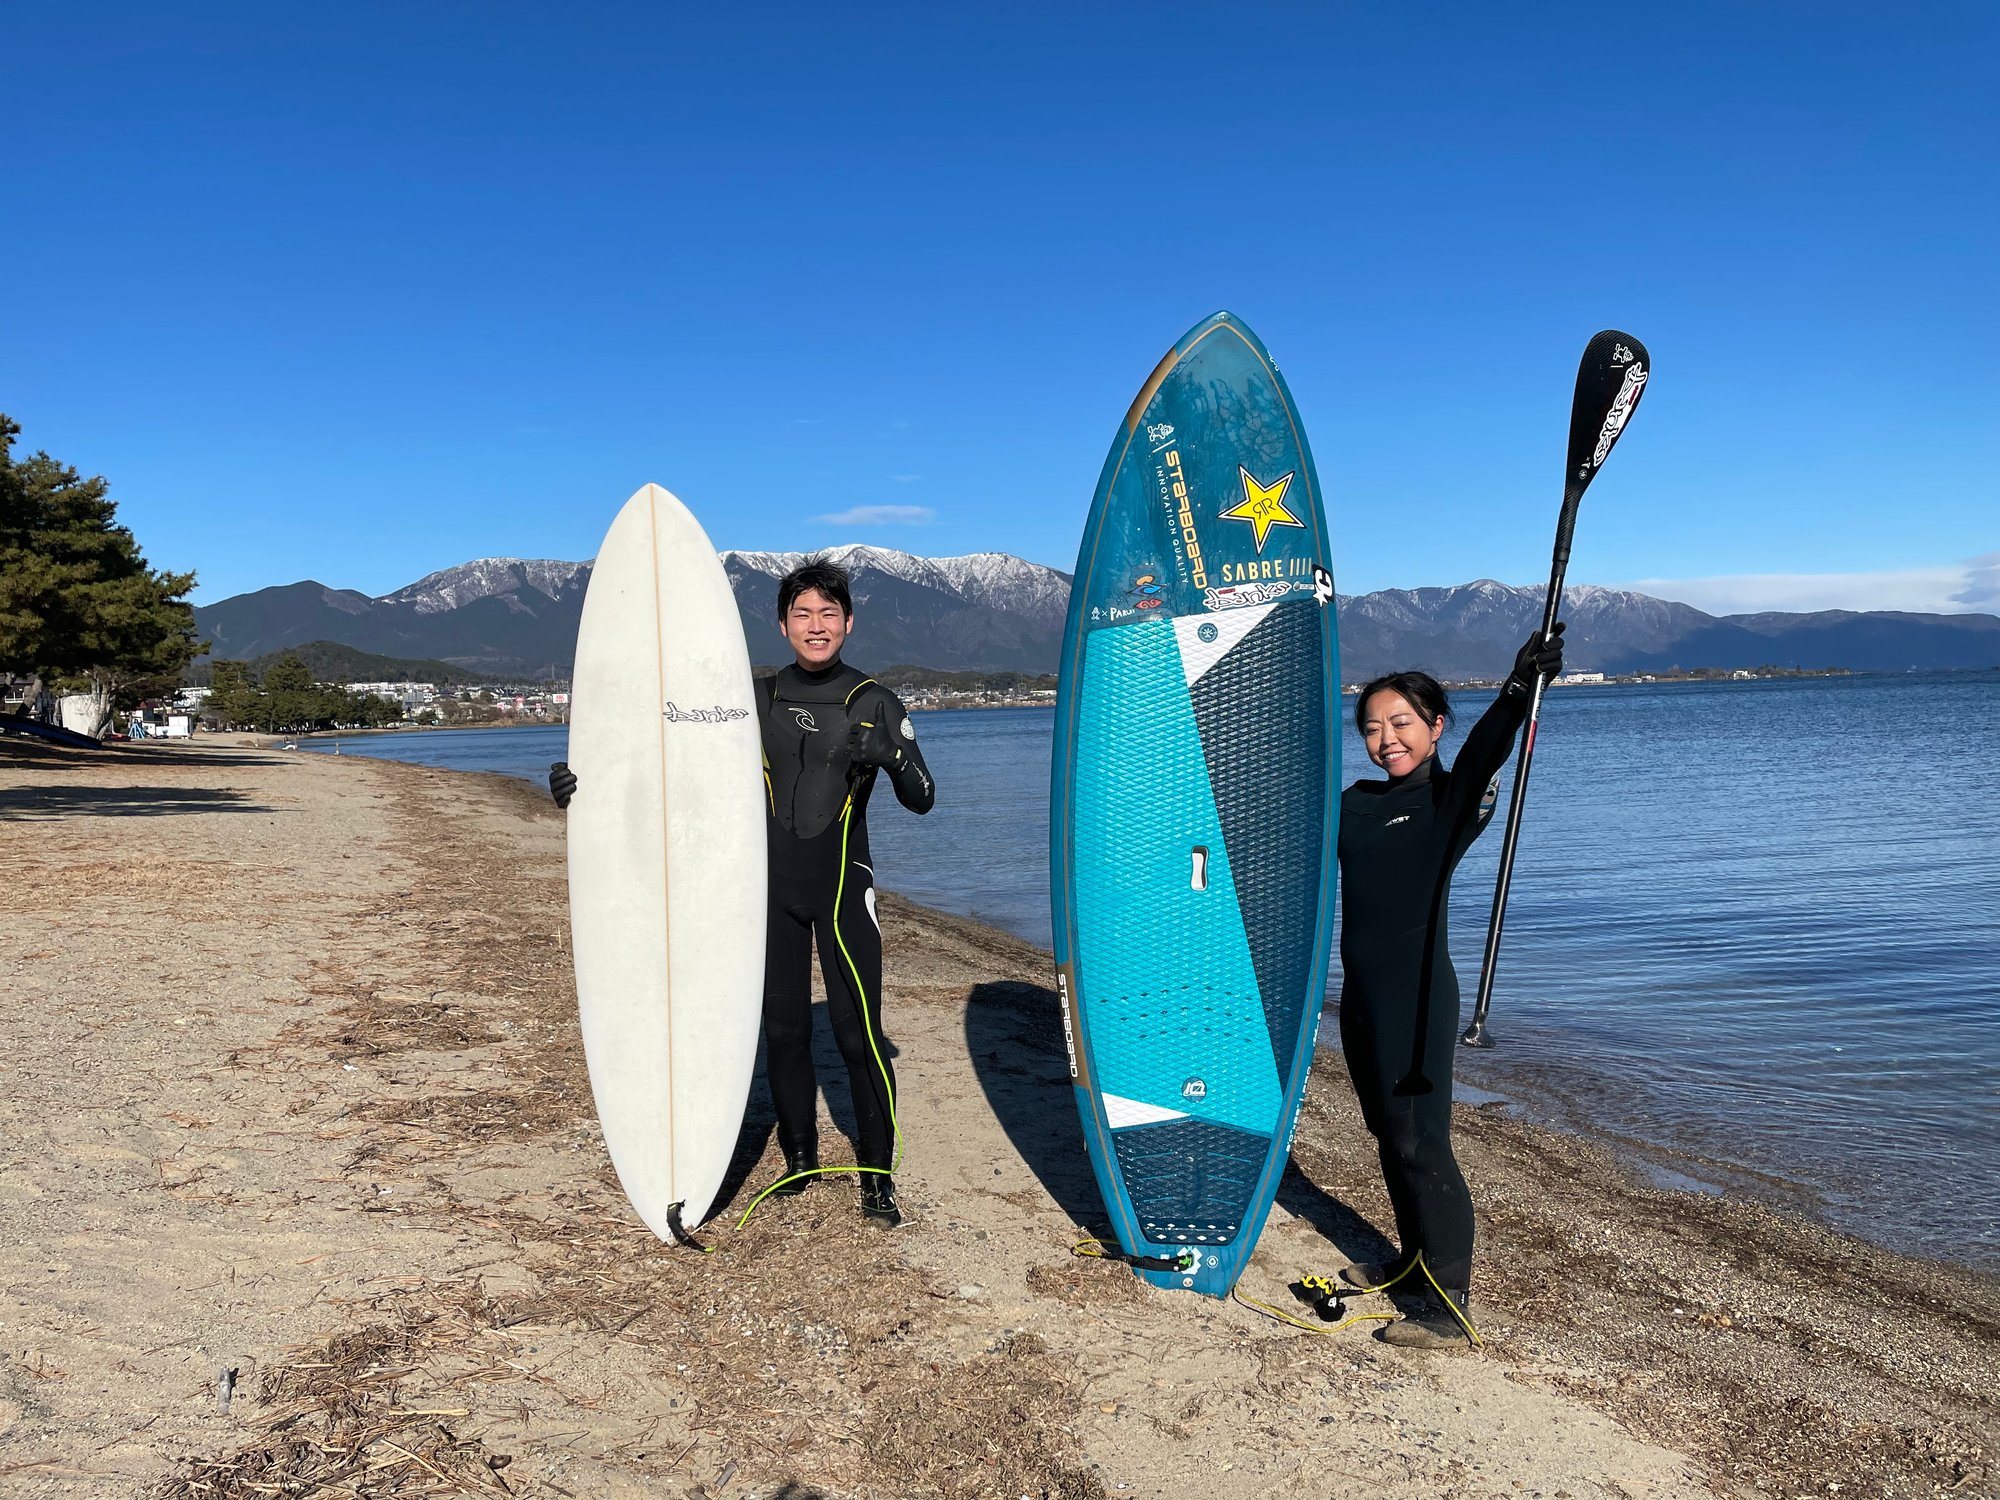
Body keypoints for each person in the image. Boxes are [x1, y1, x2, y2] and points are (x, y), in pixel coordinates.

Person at [550, 559, 935, 1229]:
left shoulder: (874, 700)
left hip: (843, 887)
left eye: (829, 614)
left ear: (849, 622)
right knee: (783, 1032)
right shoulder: (752, 696)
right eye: (803, 615)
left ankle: (877, 1177)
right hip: (768, 892)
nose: (816, 627)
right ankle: (800, 1160)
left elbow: (923, 798)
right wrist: (584, 782)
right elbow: (666, 754)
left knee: (856, 1036)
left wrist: (892, 755)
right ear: (782, 623)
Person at [1334, 624, 1564, 1347]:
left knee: (1422, 1143)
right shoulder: (1354, 802)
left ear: (1434, 727)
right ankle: (1410, 1268)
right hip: (1363, 999)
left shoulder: (1447, 802)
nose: (1386, 738)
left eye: (1401, 723)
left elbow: (1489, 747)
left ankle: (1448, 1304)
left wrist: (1520, 685)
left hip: (1417, 996)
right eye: (1372, 728)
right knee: (1386, 1137)